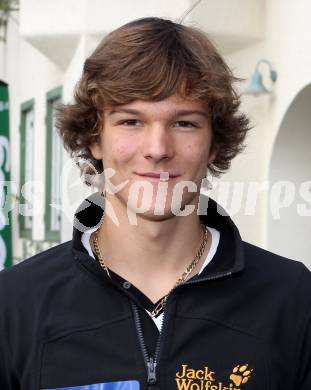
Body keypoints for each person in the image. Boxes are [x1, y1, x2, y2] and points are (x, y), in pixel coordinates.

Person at [0, 17, 310, 390]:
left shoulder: (292, 298)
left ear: (214, 142)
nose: (158, 150)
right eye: (131, 121)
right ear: (95, 139)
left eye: (184, 123)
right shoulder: (15, 304)